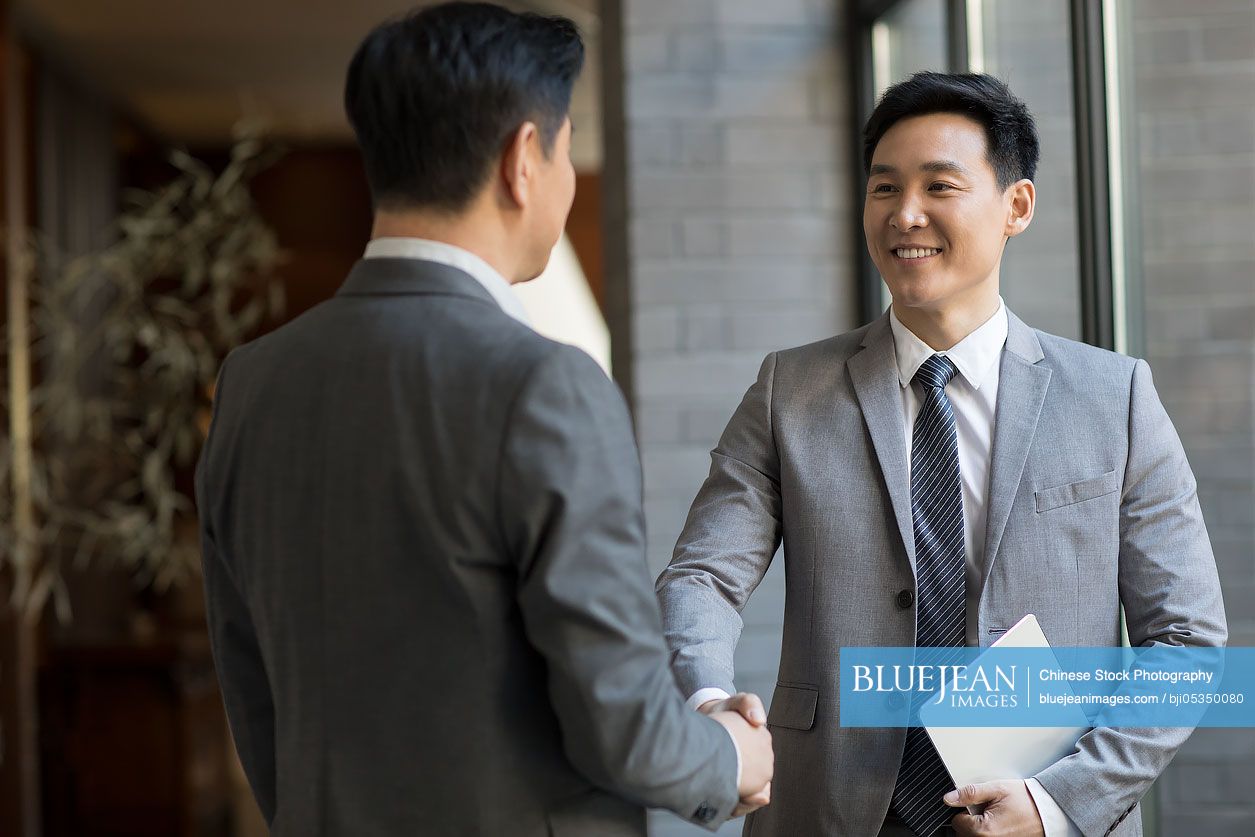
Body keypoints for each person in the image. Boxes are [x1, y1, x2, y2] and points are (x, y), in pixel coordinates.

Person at [195, 4, 773, 835]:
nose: (568, 178)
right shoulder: (544, 386)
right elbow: (624, 726)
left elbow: (254, 697)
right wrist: (729, 753)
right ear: (521, 162)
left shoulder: (251, 382)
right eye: (566, 148)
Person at [655, 71, 1226, 837]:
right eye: (883, 187)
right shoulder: (789, 388)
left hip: (1041, 807)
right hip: (827, 806)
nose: (904, 214)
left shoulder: (1113, 397)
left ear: (1015, 206)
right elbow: (703, 573)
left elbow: (1185, 641)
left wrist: (1062, 800)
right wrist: (705, 701)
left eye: (939, 185)